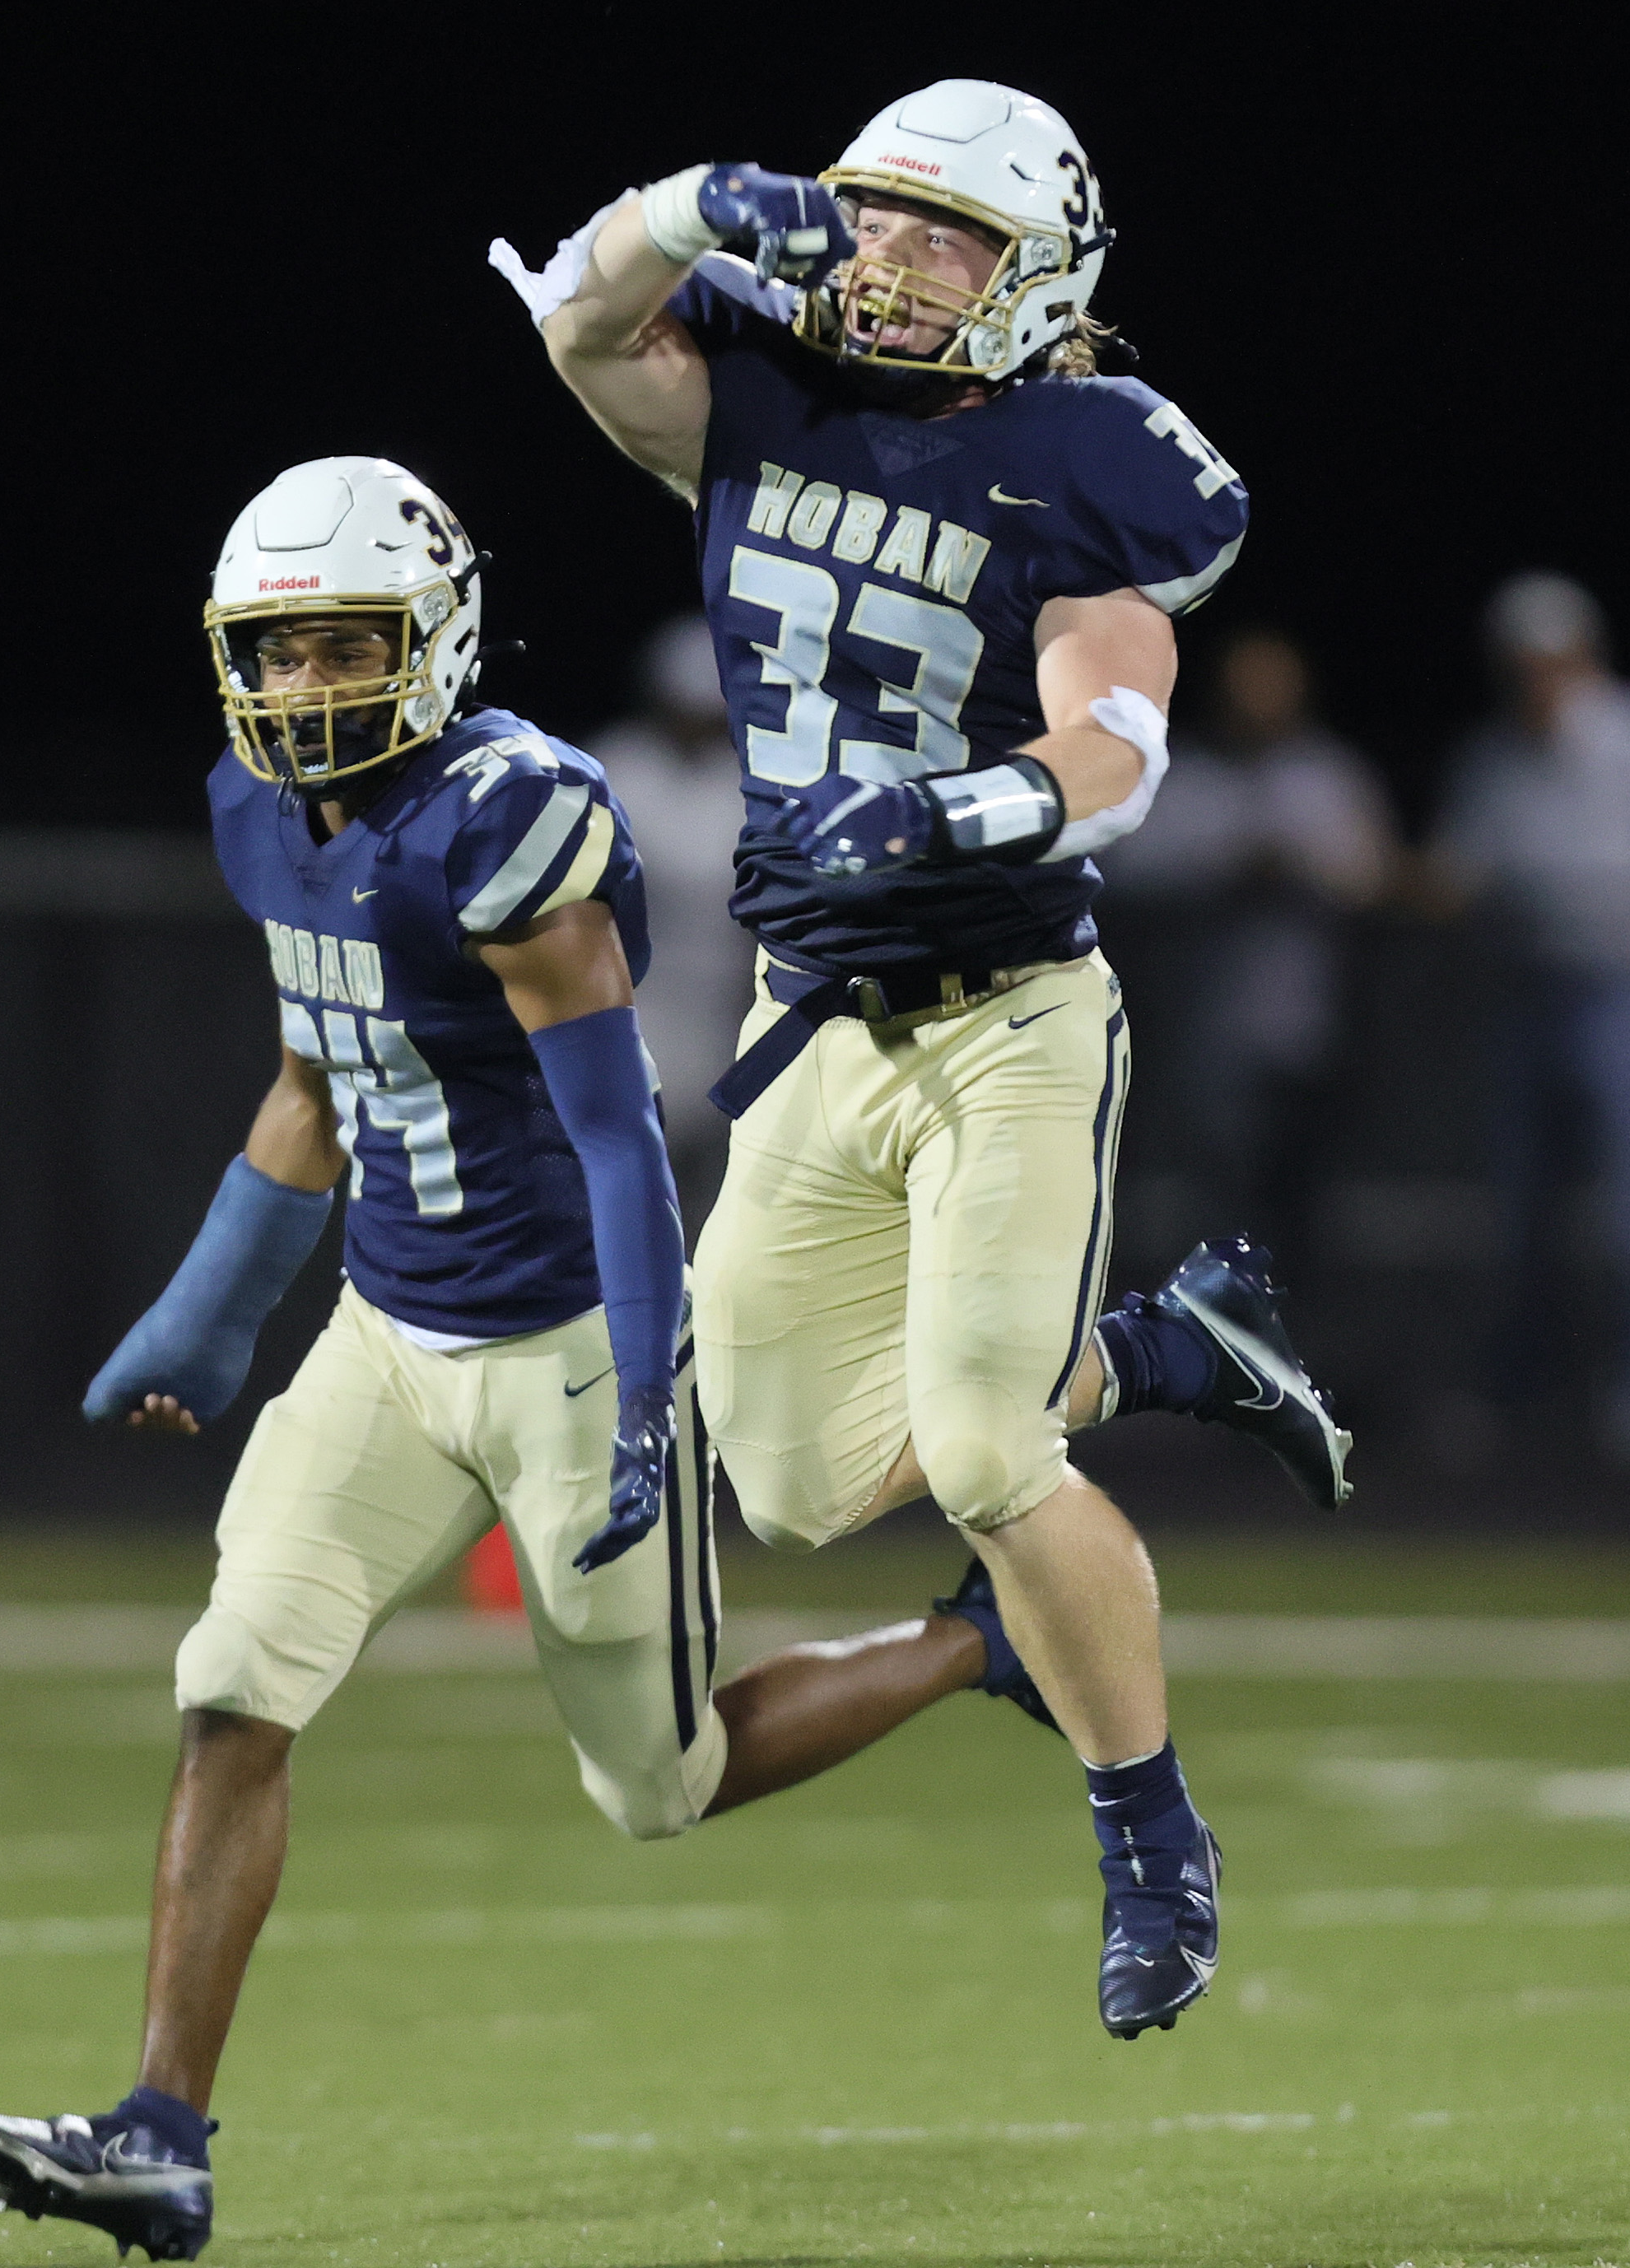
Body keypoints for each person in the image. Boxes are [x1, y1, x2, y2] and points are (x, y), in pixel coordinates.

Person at [0, 457, 1283, 2263]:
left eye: (345, 645)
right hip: (385, 1339)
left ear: (428, 640)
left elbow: (614, 1136)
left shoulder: (509, 816)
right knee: (232, 1685)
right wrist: (213, 1303)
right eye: (275, 650)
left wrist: (649, 1389)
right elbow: (312, 1082)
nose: (306, 687)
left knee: (661, 1787)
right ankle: (161, 2137)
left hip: (572, 1345)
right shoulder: (256, 813)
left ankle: (979, 1639)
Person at [493, 77, 1352, 2047]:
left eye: (946, 233)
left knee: (974, 1444)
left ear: (1041, 274)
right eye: (876, 216)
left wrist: (958, 814)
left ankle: (1146, 1827)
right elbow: (577, 320)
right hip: (813, 1026)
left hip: (1005, 1019)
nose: (890, 258)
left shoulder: (1091, 462)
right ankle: (1159, 1352)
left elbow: (1116, 746)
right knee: (789, 1479)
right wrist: (696, 201)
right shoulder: (765, 392)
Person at [1098, 629, 1396, 1264]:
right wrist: (1226, 868)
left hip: (1315, 1020)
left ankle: (1305, 1329)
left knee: (1306, 1193)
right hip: (1201, 1025)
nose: (1256, 703)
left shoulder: (1327, 776)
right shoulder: (1183, 776)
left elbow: (1375, 878)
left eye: (1271, 688)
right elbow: (1127, 872)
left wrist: (1297, 870)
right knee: (1214, 1187)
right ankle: (1215, 1332)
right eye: (1243, 688)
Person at [1432, 571, 1630, 1452]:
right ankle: (1523, 1392)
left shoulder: (1622, 738)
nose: (1536, 680)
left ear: (1582, 656)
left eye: (1550, 662)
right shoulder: (1493, 756)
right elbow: (1459, 873)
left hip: (1614, 992)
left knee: (1621, 1210)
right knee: (1521, 1217)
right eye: (1522, 666)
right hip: (1523, 995)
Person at [585, 613, 756, 1232]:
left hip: (718, 1015)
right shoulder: (617, 767)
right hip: (627, 1001)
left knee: (704, 1212)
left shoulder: (747, 792)